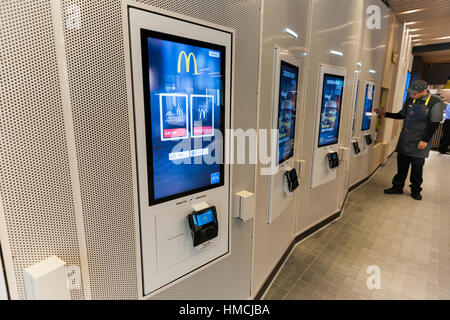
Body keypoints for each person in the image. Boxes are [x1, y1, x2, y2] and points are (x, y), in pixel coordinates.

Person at [375, 80, 445, 201]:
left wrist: (424, 140)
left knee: (417, 168)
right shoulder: (409, 100)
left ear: (423, 91)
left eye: (414, 94)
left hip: (420, 141)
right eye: (411, 93)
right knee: (401, 166)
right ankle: (397, 187)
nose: (412, 96)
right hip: (406, 139)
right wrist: (385, 114)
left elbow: (435, 124)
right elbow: (401, 115)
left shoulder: (435, 102)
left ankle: (416, 190)